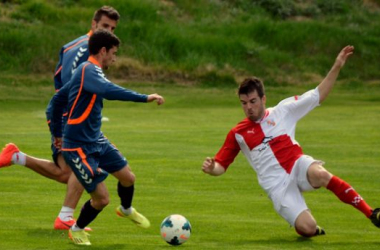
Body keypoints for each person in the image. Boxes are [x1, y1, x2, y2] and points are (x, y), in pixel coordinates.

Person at [202, 45, 380, 237]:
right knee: (308, 228)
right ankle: (309, 227)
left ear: (263, 99)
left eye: (253, 101)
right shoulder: (238, 133)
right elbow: (221, 166)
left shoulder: (283, 110)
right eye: (244, 103)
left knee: (320, 173)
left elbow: (318, 94)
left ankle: (371, 213)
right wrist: (212, 168)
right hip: (277, 185)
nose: (248, 108)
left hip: (297, 164)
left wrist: (337, 66)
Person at [0, 6, 120, 231]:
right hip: (69, 115)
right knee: (84, 162)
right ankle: (65, 217)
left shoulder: (81, 47)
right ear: (94, 24)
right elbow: (72, 85)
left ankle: (16, 157)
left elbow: (67, 81)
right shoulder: (86, 50)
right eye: (105, 26)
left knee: (67, 172)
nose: (109, 31)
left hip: (66, 114)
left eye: (112, 28)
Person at [49, 29, 165, 246]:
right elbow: (109, 90)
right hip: (78, 147)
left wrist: (57, 132)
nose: (115, 57)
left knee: (128, 178)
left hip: (96, 140)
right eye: (113, 52)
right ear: (103, 51)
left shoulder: (88, 71)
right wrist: (145, 97)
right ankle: (77, 229)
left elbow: (56, 102)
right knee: (101, 199)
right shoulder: (89, 71)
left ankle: (126, 209)